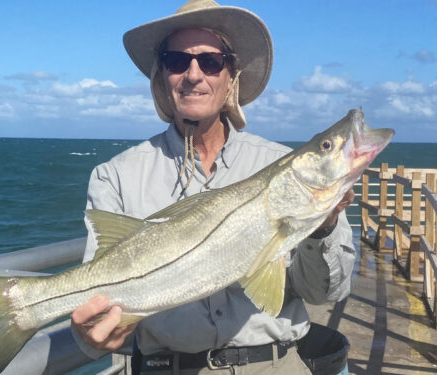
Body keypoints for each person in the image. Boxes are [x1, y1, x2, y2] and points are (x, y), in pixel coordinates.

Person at [71, 1, 356, 373]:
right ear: (161, 76)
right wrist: (92, 331)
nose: (193, 75)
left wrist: (325, 228)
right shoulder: (115, 176)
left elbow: (325, 294)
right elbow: (102, 297)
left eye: (210, 61)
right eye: (176, 61)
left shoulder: (286, 167)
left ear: (231, 76)